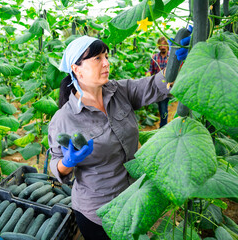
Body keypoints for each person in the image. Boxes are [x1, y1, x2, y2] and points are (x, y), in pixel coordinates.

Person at [47, 34, 190, 240]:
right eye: (97, 59)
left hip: (134, 198)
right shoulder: (63, 119)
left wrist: (176, 62)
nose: (106, 63)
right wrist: (67, 162)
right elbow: (56, 168)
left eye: (106, 56)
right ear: (76, 69)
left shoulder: (119, 90)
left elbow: (155, 86)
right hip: (97, 212)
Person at [147, 36, 170, 128]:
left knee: (163, 106)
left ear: (167, 46)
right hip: (157, 85)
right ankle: (163, 124)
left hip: (167, 86)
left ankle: (163, 126)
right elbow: (150, 70)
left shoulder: (171, 57)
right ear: (158, 46)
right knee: (161, 107)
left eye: (164, 44)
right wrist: (148, 74)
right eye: (160, 45)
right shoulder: (154, 57)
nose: (162, 46)